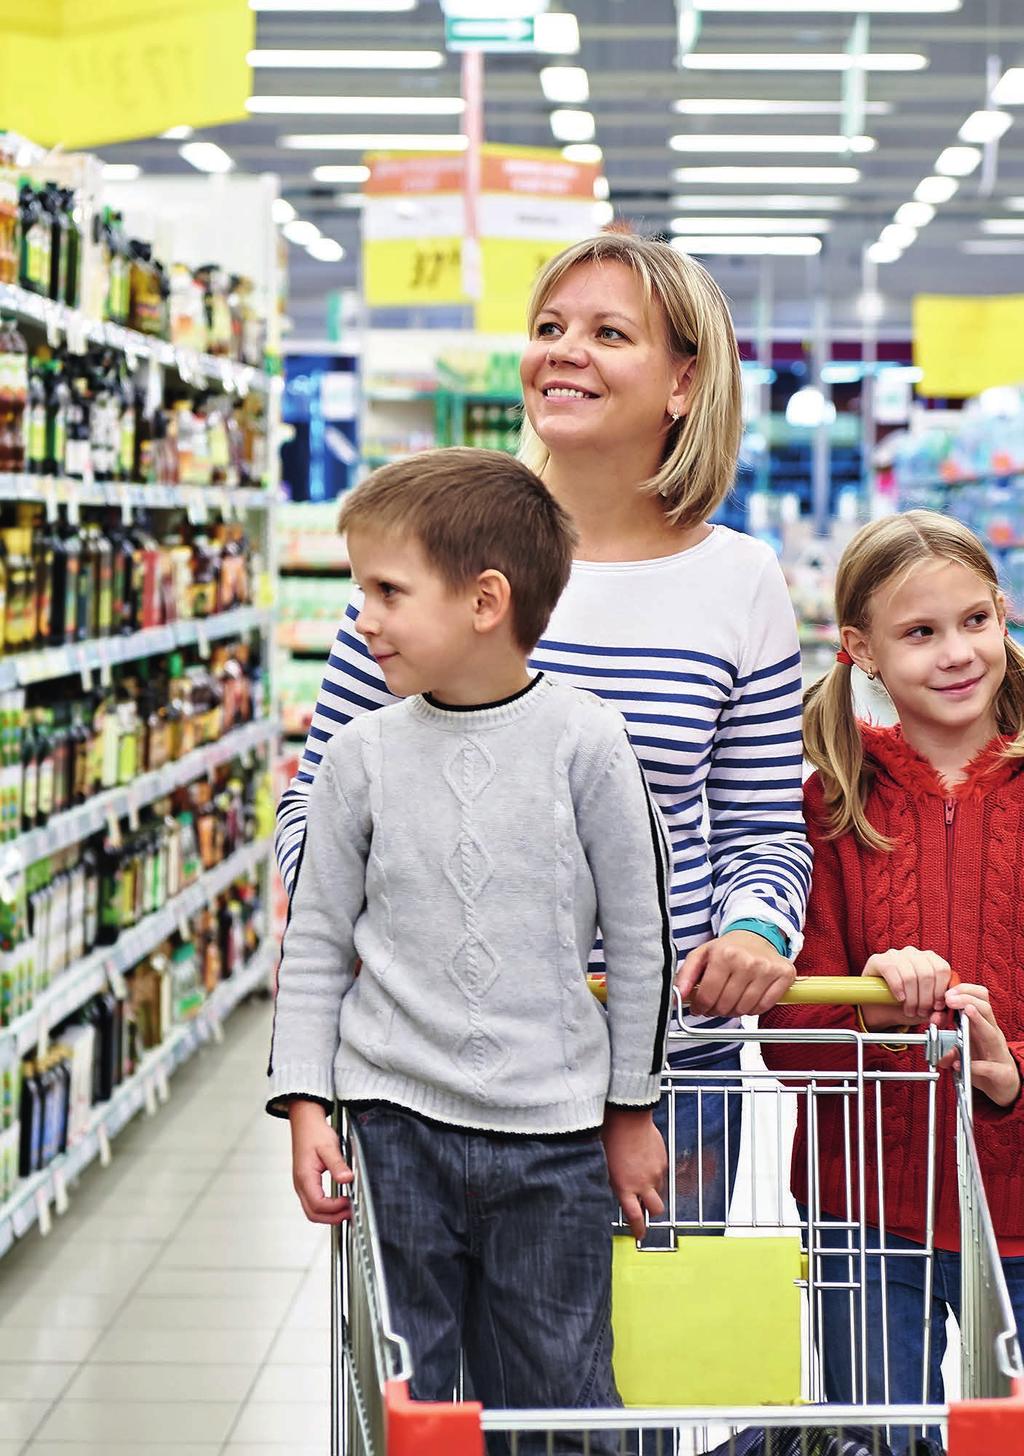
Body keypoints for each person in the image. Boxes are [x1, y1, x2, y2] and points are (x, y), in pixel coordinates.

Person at [274, 233, 812, 1227]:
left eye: (609, 333)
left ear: (684, 384)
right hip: (445, 1073)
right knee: (462, 1383)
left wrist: (753, 927)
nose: (563, 350)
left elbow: (763, 832)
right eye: (549, 328)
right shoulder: (438, 548)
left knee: (656, 1370)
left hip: (666, 1074)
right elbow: (311, 805)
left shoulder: (739, 582)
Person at [267, 448, 674, 1446]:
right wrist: (306, 1103)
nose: (360, 616)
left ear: (485, 598)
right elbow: (316, 941)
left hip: (556, 1136)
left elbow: (640, 936)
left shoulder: (588, 742)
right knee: (406, 1396)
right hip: (392, 1126)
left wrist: (631, 1107)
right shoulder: (360, 755)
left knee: (565, 1393)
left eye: (385, 590)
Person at [761, 511, 1024, 1433]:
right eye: (920, 633)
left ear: (1002, 614)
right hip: (864, 1212)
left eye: (975, 621)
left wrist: (1009, 1070)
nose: (957, 652)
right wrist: (869, 1016)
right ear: (861, 651)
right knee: (877, 1436)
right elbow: (786, 1046)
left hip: (1022, 1212)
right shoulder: (831, 806)